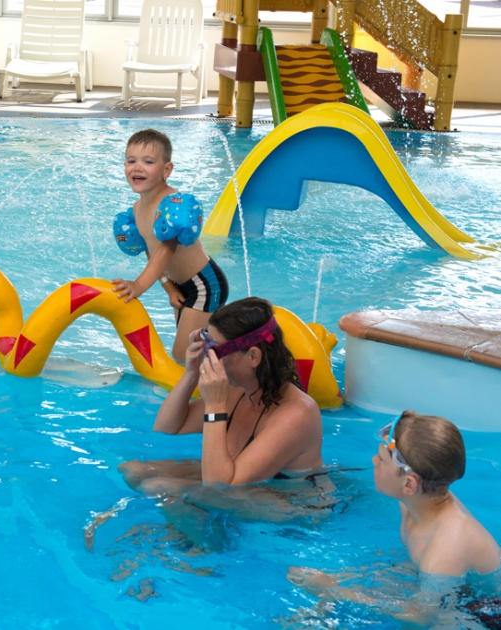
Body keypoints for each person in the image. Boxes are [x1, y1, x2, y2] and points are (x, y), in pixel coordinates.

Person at [286, 412, 499, 626]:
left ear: (409, 485)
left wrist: (334, 587)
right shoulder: (415, 503)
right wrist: (335, 583)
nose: (373, 461)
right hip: (450, 589)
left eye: (382, 460)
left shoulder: (443, 552)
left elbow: (421, 617)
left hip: (485, 613)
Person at [120, 296, 324, 494]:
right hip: (231, 479)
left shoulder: (297, 413)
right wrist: (191, 374)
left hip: (292, 500)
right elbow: (167, 427)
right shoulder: (239, 388)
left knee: (158, 488)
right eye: (207, 344)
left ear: (253, 356)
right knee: (132, 469)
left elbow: (220, 488)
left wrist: (215, 407)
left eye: (215, 350)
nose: (210, 357)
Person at [111, 129, 229, 363]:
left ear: (166, 170)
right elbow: (151, 248)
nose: (137, 167)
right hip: (181, 286)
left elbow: (166, 249)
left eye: (148, 162)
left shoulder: (171, 204)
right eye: (131, 161)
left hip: (204, 284)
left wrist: (139, 285)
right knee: (194, 352)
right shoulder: (137, 209)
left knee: (183, 355)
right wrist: (168, 286)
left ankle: (233, 378)